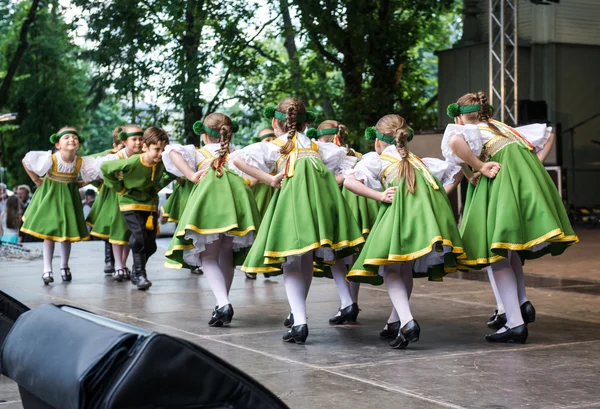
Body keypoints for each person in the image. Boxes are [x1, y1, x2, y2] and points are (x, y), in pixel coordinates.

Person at [443, 91, 578, 343]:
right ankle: (521, 301)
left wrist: (481, 166)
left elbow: (454, 145)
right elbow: (547, 134)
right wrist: (534, 163)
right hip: (523, 185)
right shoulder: (503, 129)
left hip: (502, 188)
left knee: (497, 251)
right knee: (510, 248)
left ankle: (515, 322)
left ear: (460, 117)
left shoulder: (471, 129)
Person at [231, 97, 364, 344]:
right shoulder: (317, 147)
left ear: (275, 122)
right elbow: (349, 162)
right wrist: (328, 187)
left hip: (292, 205)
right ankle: (299, 318)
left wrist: (268, 179)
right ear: (305, 124)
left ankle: (300, 322)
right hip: (318, 209)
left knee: (292, 260)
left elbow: (237, 159)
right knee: (305, 259)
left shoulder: (275, 145)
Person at [344, 114, 464, 349]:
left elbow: (349, 181)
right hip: (424, 223)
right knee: (404, 266)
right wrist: (436, 198)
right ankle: (395, 321)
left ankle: (407, 322)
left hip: (398, 217)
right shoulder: (418, 160)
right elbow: (455, 174)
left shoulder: (377, 160)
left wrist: (379, 195)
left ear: (377, 141)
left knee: (391, 268)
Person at [164, 114, 260, 326]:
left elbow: (171, 152)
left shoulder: (199, 153)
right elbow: (253, 179)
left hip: (209, 204)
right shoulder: (237, 155)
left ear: (204, 134)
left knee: (208, 257)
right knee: (226, 253)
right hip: (234, 205)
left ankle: (223, 303)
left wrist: (191, 175)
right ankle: (220, 304)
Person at [306, 120, 379, 325]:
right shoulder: (354, 154)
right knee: (352, 255)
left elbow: (335, 181)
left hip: (338, 204)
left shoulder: (321, 152)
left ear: (318, 135)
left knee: (337, 254)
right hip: (360, 205)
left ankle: (347, 302)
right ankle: (351, 303)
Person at [21, 127, 99, 284]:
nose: (72, 139)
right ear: (58, 144)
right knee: (49, 235)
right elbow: (26, 161)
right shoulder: (52, 159)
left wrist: (80, 183)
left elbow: (95, 172)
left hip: (69, 199)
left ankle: (64, 266)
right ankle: (47, 269)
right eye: (67, 137)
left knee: (66, 235)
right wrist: (37, 181)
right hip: (51, 198)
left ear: (78, 144)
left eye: (75, 138)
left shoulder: (80, 162)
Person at [101, 127, 171, 290]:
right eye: (156, 149)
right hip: (130, 202)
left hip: (150, 204)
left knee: (151, 244)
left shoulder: (161, 163)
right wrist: (120, 188)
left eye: (163, 149)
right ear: (145, 147)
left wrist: (157, 186)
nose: (160, 154)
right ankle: (140, 274)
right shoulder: (133, 161)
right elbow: (106, 168)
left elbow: (172, 173)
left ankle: (135, 271)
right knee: (139, 235)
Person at [90, 125, 144, 281]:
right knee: (117, 231)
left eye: (140, 139)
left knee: (129, 233)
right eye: (134, 139)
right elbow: (100, 170)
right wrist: (116, 185)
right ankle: (118, 265)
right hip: (117, 199)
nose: (138, 143)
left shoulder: (143, 156)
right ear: (125, 141)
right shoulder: (114, 157)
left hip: (135, 198)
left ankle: (124, 264)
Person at [244, 127, 277, 280]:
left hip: (274, 198)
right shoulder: (256, 162)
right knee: (258, 231)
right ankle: (251, 265)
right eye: (266, 140)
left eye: (272, 139)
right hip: (260, 198)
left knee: (271, 231)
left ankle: (267, 264)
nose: (270, 142)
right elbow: (250, 182)